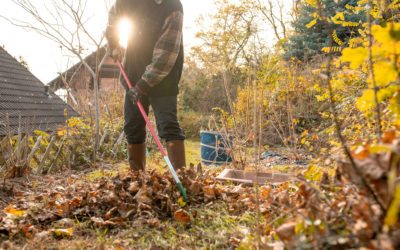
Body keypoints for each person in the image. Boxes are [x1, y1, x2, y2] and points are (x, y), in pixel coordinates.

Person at [106, 0, 186, 171]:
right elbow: (114, 14)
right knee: (133, 127)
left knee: (168, 125)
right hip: (133, 72)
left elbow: (165, 55)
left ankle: (182, 178)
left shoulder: (173, 7)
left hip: (164, 77)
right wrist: (114, 43)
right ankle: (136, 178)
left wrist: (142, 86)